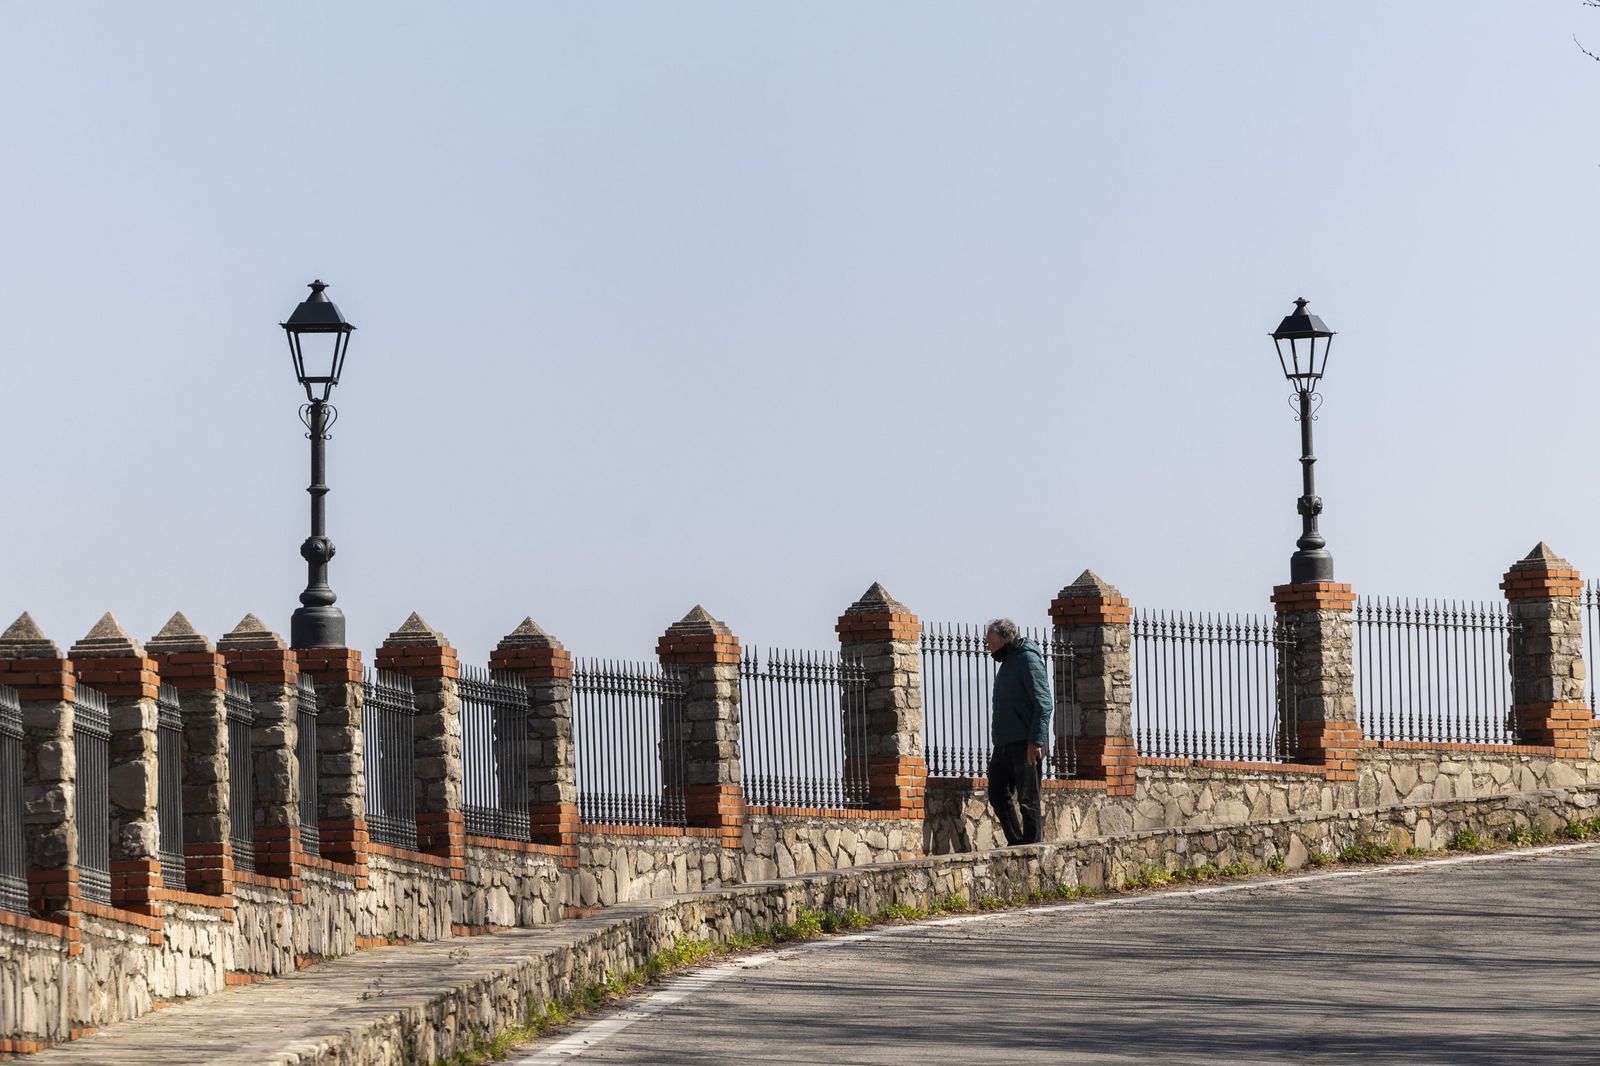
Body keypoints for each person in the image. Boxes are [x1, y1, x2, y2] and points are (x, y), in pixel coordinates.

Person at [985, 618, 1053, 846]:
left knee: (1028, 799)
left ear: (1004, 639)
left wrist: (1035, 741)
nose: (989, 647)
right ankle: (1017, 843)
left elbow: (1044, 703)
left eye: (991, 641)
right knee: (997, 792)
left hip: (1026, 742)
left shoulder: (1027, 659)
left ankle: (1032, 848)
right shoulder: (1008, 662)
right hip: (1004, 743)